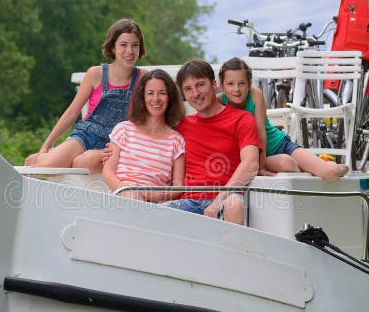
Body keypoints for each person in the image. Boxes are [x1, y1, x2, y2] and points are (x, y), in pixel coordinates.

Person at [24, 18, 147, 172]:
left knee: (83, 165)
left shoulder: (144, 79)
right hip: (86, 134)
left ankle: (73, 157)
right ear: (113, 47)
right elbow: (72, 112)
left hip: (113, 144)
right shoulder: (95, 73)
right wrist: (46, 145)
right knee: (47, 165)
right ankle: (46, 156)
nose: (129, 51)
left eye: (135, 45)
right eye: (123, 45)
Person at [218, 57, 349, 180]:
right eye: (230, 84)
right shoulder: (220, 101)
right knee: (287, 165)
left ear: (249, 84)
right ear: (222, 86)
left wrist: (262, 167)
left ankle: (331, 167)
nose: (236, 89)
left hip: (280, 145)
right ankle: (311, 169)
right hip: (257, 157)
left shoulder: (255, 95)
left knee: (329, 174)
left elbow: (260, 132)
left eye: (241, 83)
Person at [168, 59, 261, 225]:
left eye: (200, 85)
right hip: (189, 202)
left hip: (227, 199)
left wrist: (217, 202)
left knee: (233, 204)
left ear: (214, 84)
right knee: (157, 217)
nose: (195, 93)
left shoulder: (242, 119)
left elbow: (251, 165)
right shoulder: (182, 126)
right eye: (188, 89)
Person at [103, 69, 186, 201]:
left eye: (162, 93)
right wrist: (126, 190)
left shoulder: (176, 141)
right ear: (142, 97)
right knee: (131, 195)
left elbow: (177, 187)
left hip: (153, 205)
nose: (156, 99)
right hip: (120, 198)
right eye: (150, 93)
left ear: (170, 98)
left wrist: (152, 196)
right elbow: (107, 173)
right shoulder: (123, 129)